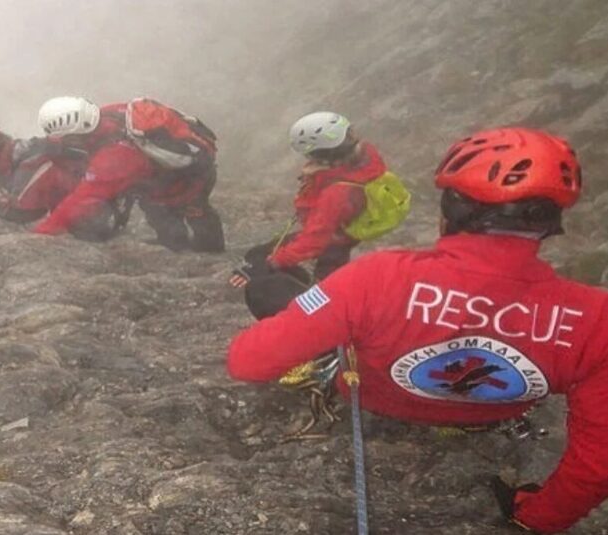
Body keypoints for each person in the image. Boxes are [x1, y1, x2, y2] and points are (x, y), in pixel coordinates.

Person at [226, 127, 605, 533]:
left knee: (269, 289)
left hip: (375, 402)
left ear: (451, 210)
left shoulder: (375, 277)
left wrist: (325, 315)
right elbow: (598, 461)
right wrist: (537, 518)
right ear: (548, 224)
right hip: (490, 417)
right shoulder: (596, 317)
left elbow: (247, 361)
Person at [31, 96, 225, 251]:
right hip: (176, 173)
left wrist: (44, 231)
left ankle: (208, 253)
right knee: (161, 212)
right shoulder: (112, 113)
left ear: (75, 133)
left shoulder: (115, 155)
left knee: (191, 213)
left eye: (66, 138)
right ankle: (177, 246)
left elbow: (83, 197)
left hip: (185, 180)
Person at [230, 112, 387, 288]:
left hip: (334, 239)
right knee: (329, 278)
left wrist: (272, 263)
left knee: (325, 289)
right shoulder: (361, 159)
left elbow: (315, 240)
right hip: (342, 234)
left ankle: (315, 302)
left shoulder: (337, 192)